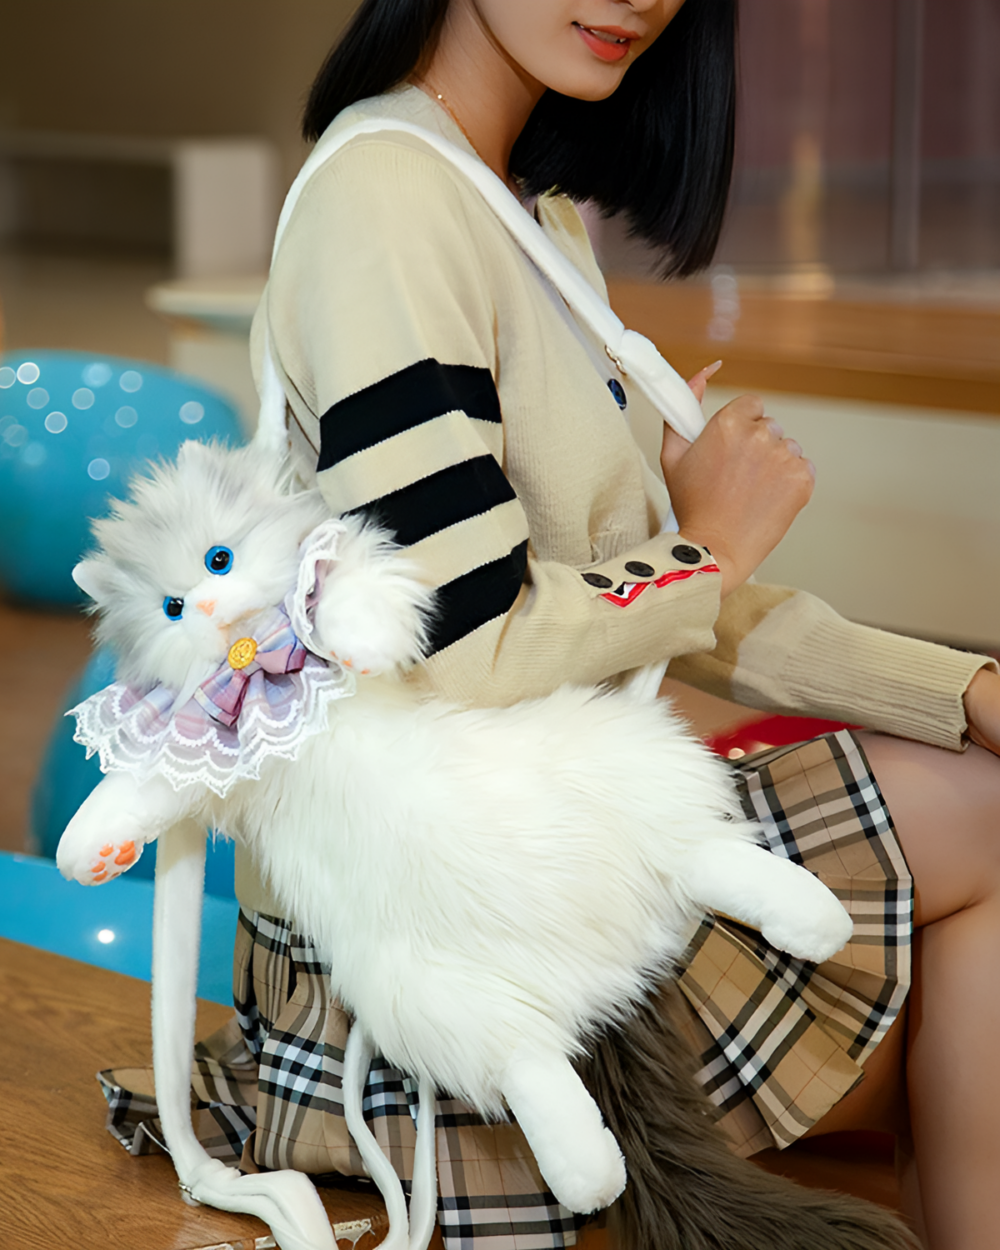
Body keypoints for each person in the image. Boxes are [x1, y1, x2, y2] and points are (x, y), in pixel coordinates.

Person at [102, 3, 1000, 1247]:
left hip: (544, 854)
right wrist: (708, 544)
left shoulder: (525, 211)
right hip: (441, 934)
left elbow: (656, 603)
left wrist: (963, 689)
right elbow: (469, 643)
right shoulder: (387, 201)